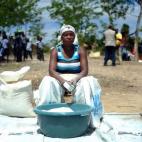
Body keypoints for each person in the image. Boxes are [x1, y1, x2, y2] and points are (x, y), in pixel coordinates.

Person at [38, 25, 103, 128]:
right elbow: (51, 71)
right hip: (60, 78)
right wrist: (62, 81)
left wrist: (76, 79)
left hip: (77, 77)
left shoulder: (80, 50)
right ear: (61, 37)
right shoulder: (55, 50)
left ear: (74, 36)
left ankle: (86, 115)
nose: (69, 37)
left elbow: (85, 71)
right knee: (47, 81)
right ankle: (47, 114)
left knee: (87, 82)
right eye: (65, 35)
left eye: (71, 35)